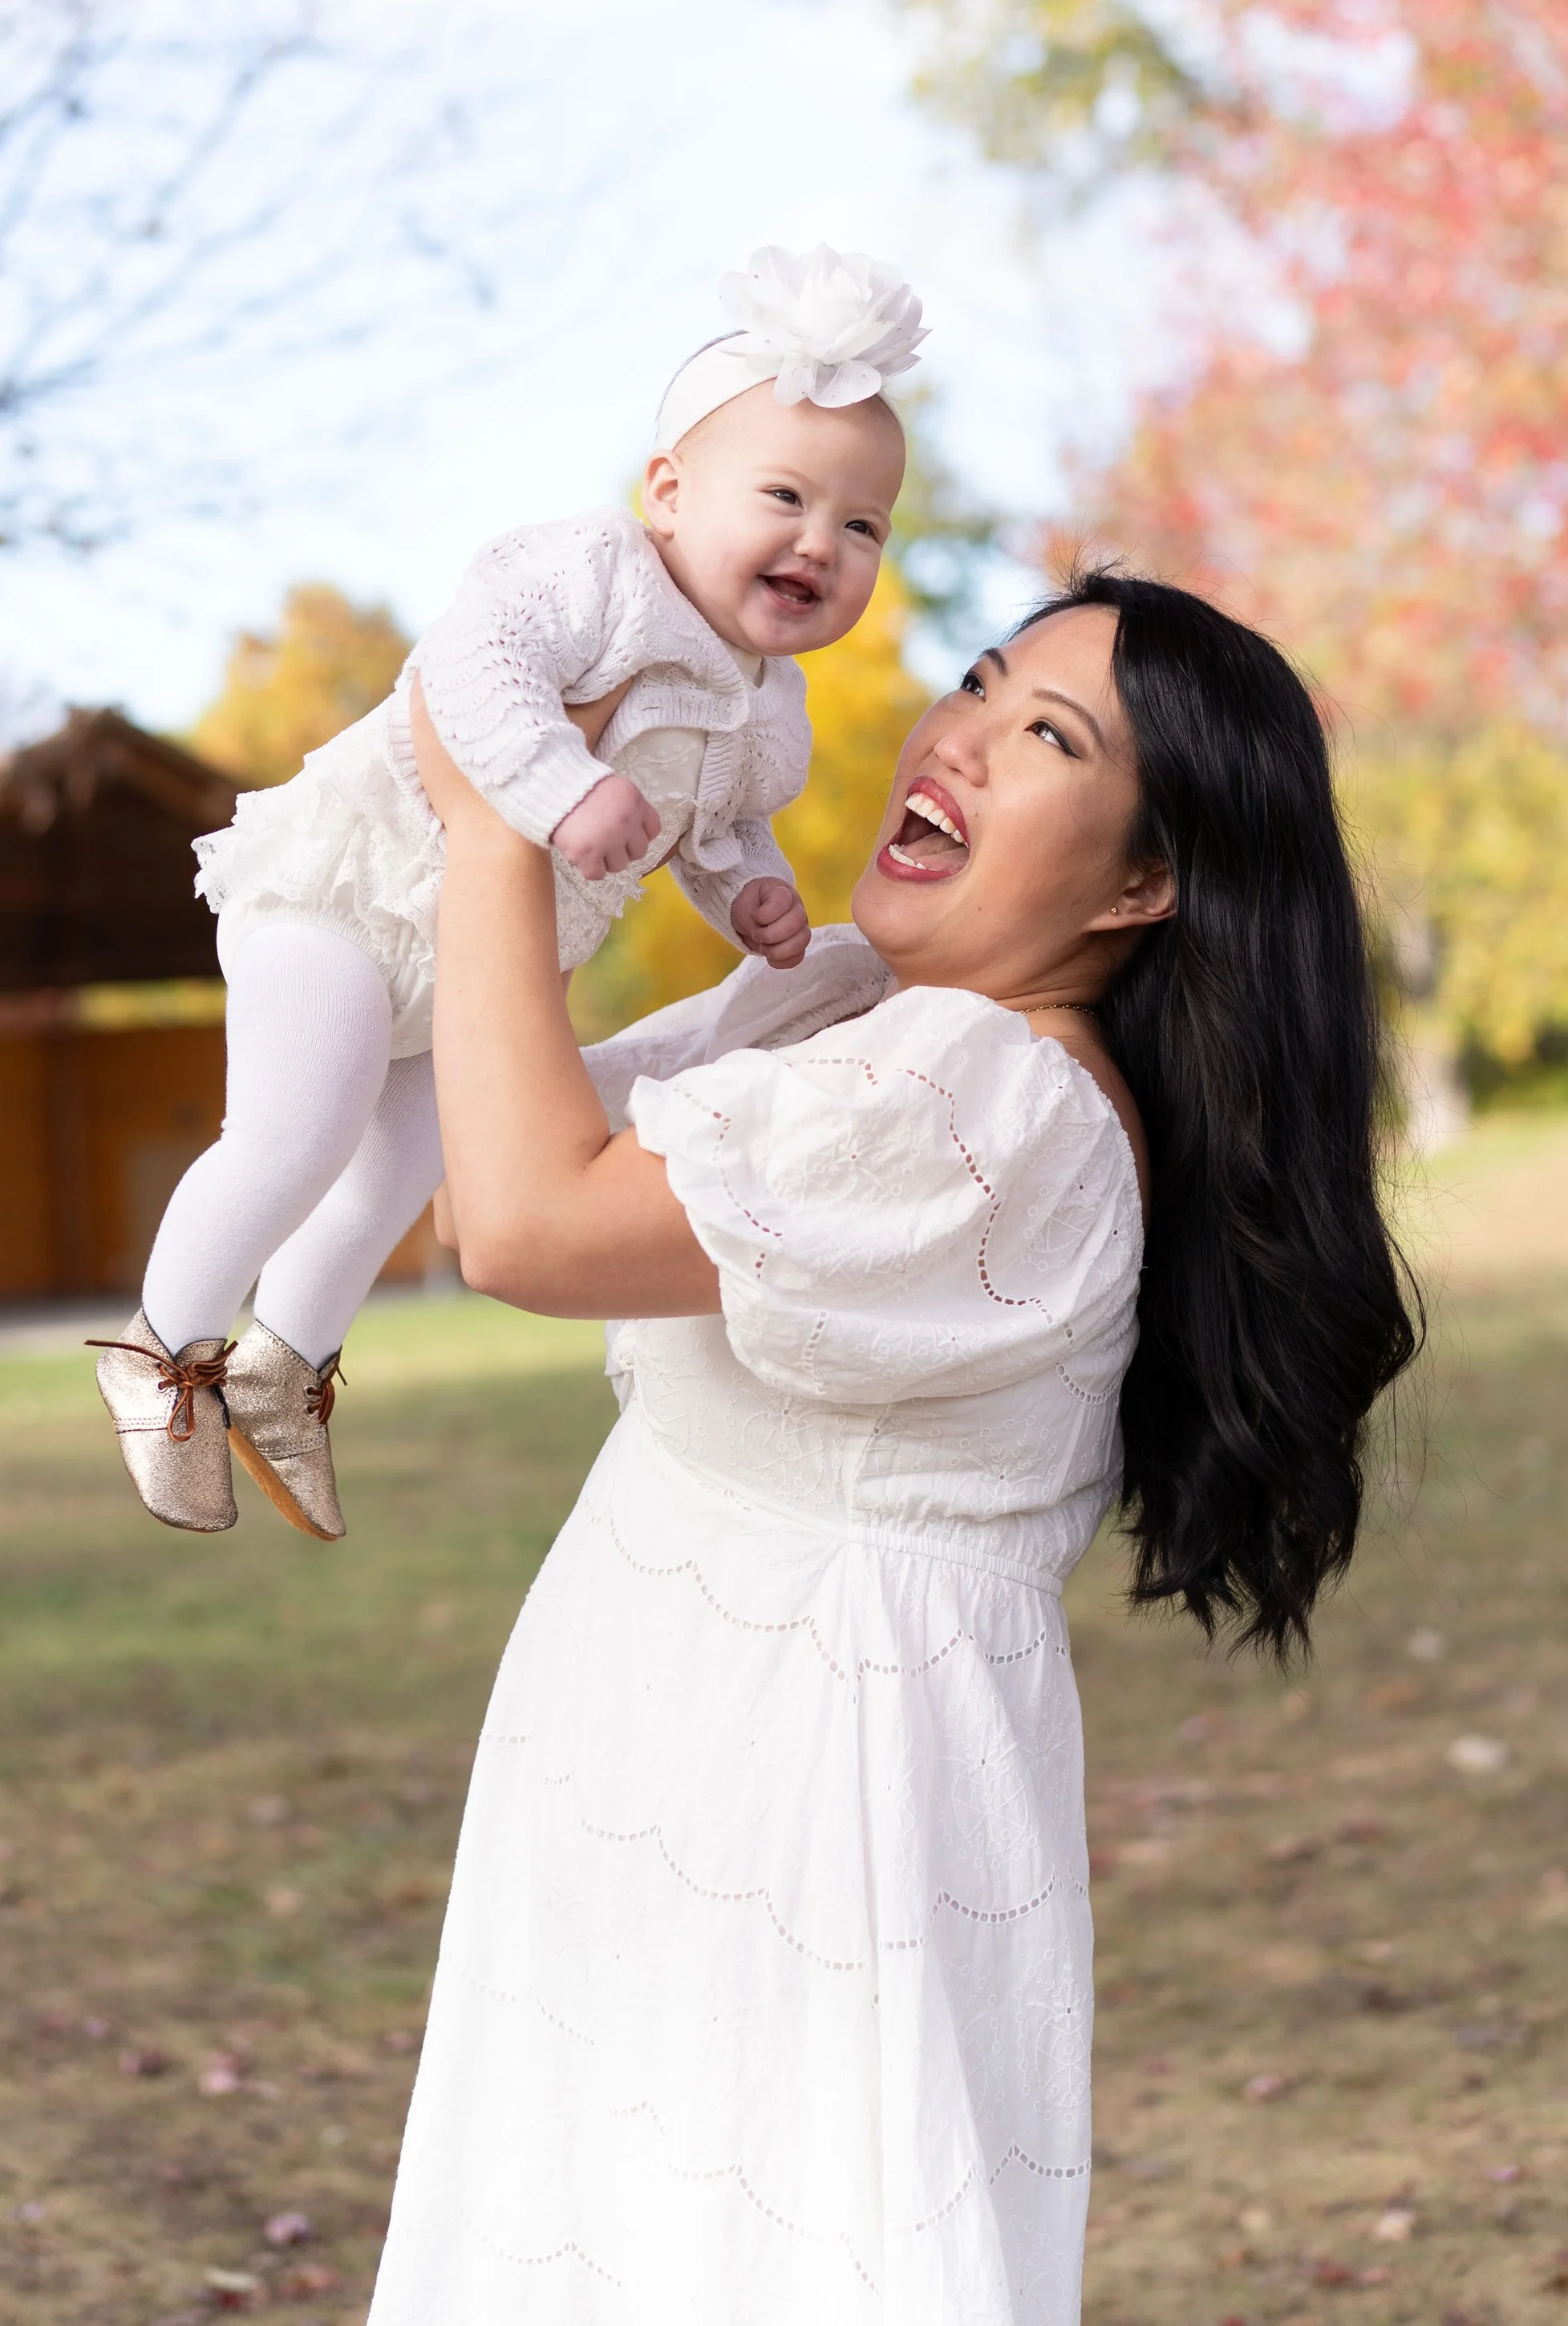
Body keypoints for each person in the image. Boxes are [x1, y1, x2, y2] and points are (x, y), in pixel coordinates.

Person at [365, 569, 1421, 2326]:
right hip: (663, 1741)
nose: (963, 738)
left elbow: (528, 1229)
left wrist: (502, 830)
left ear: (1146, 881)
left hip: (795, 1800)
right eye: (981, 685)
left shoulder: (985, 1100)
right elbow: (497, 1126)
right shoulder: (861, 1016)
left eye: (1049, 736)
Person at [91, 243, 922, 1542]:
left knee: (406, 1167)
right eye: (786, 496)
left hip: (478, 962)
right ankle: (158, 1348)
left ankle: (281, 1368)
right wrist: (555, 786)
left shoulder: (770, 710)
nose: (823, 542)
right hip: (350, 889)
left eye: (862, 525)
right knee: (298, 1134)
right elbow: (469, 667)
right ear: (667, 489)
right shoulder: (592, 571)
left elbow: (721, 827)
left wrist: (752, 892)